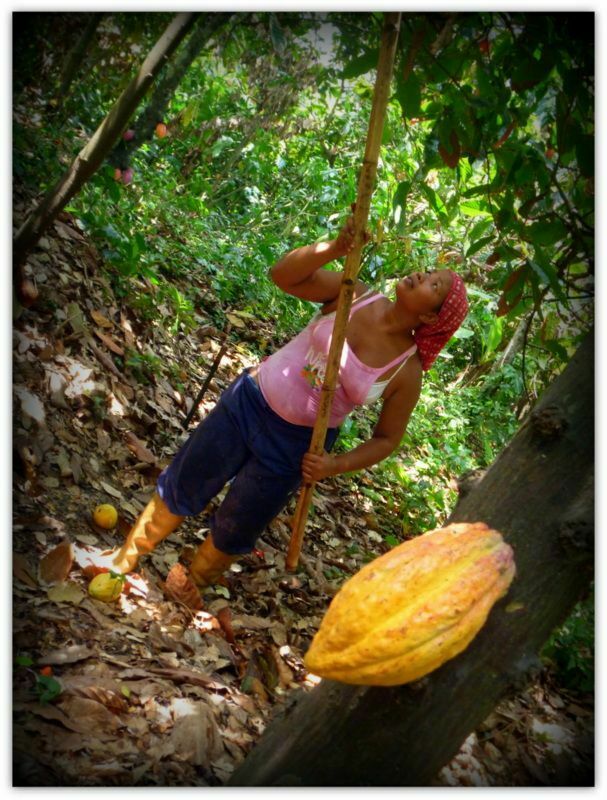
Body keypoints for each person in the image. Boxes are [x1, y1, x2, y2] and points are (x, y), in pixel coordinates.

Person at [98, 214, 468, 607]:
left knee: (237, 524)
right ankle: (125, 560)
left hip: (295, 447)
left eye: (434, 284)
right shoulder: (356, 293)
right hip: (250, 402)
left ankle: (185, 590)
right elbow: (283, 276)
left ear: (431, 317)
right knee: (185, 481)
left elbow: (387, 438)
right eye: (429, 271)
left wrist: (333, 465)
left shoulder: (406, 371)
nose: (421, 274)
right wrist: (334, 249)